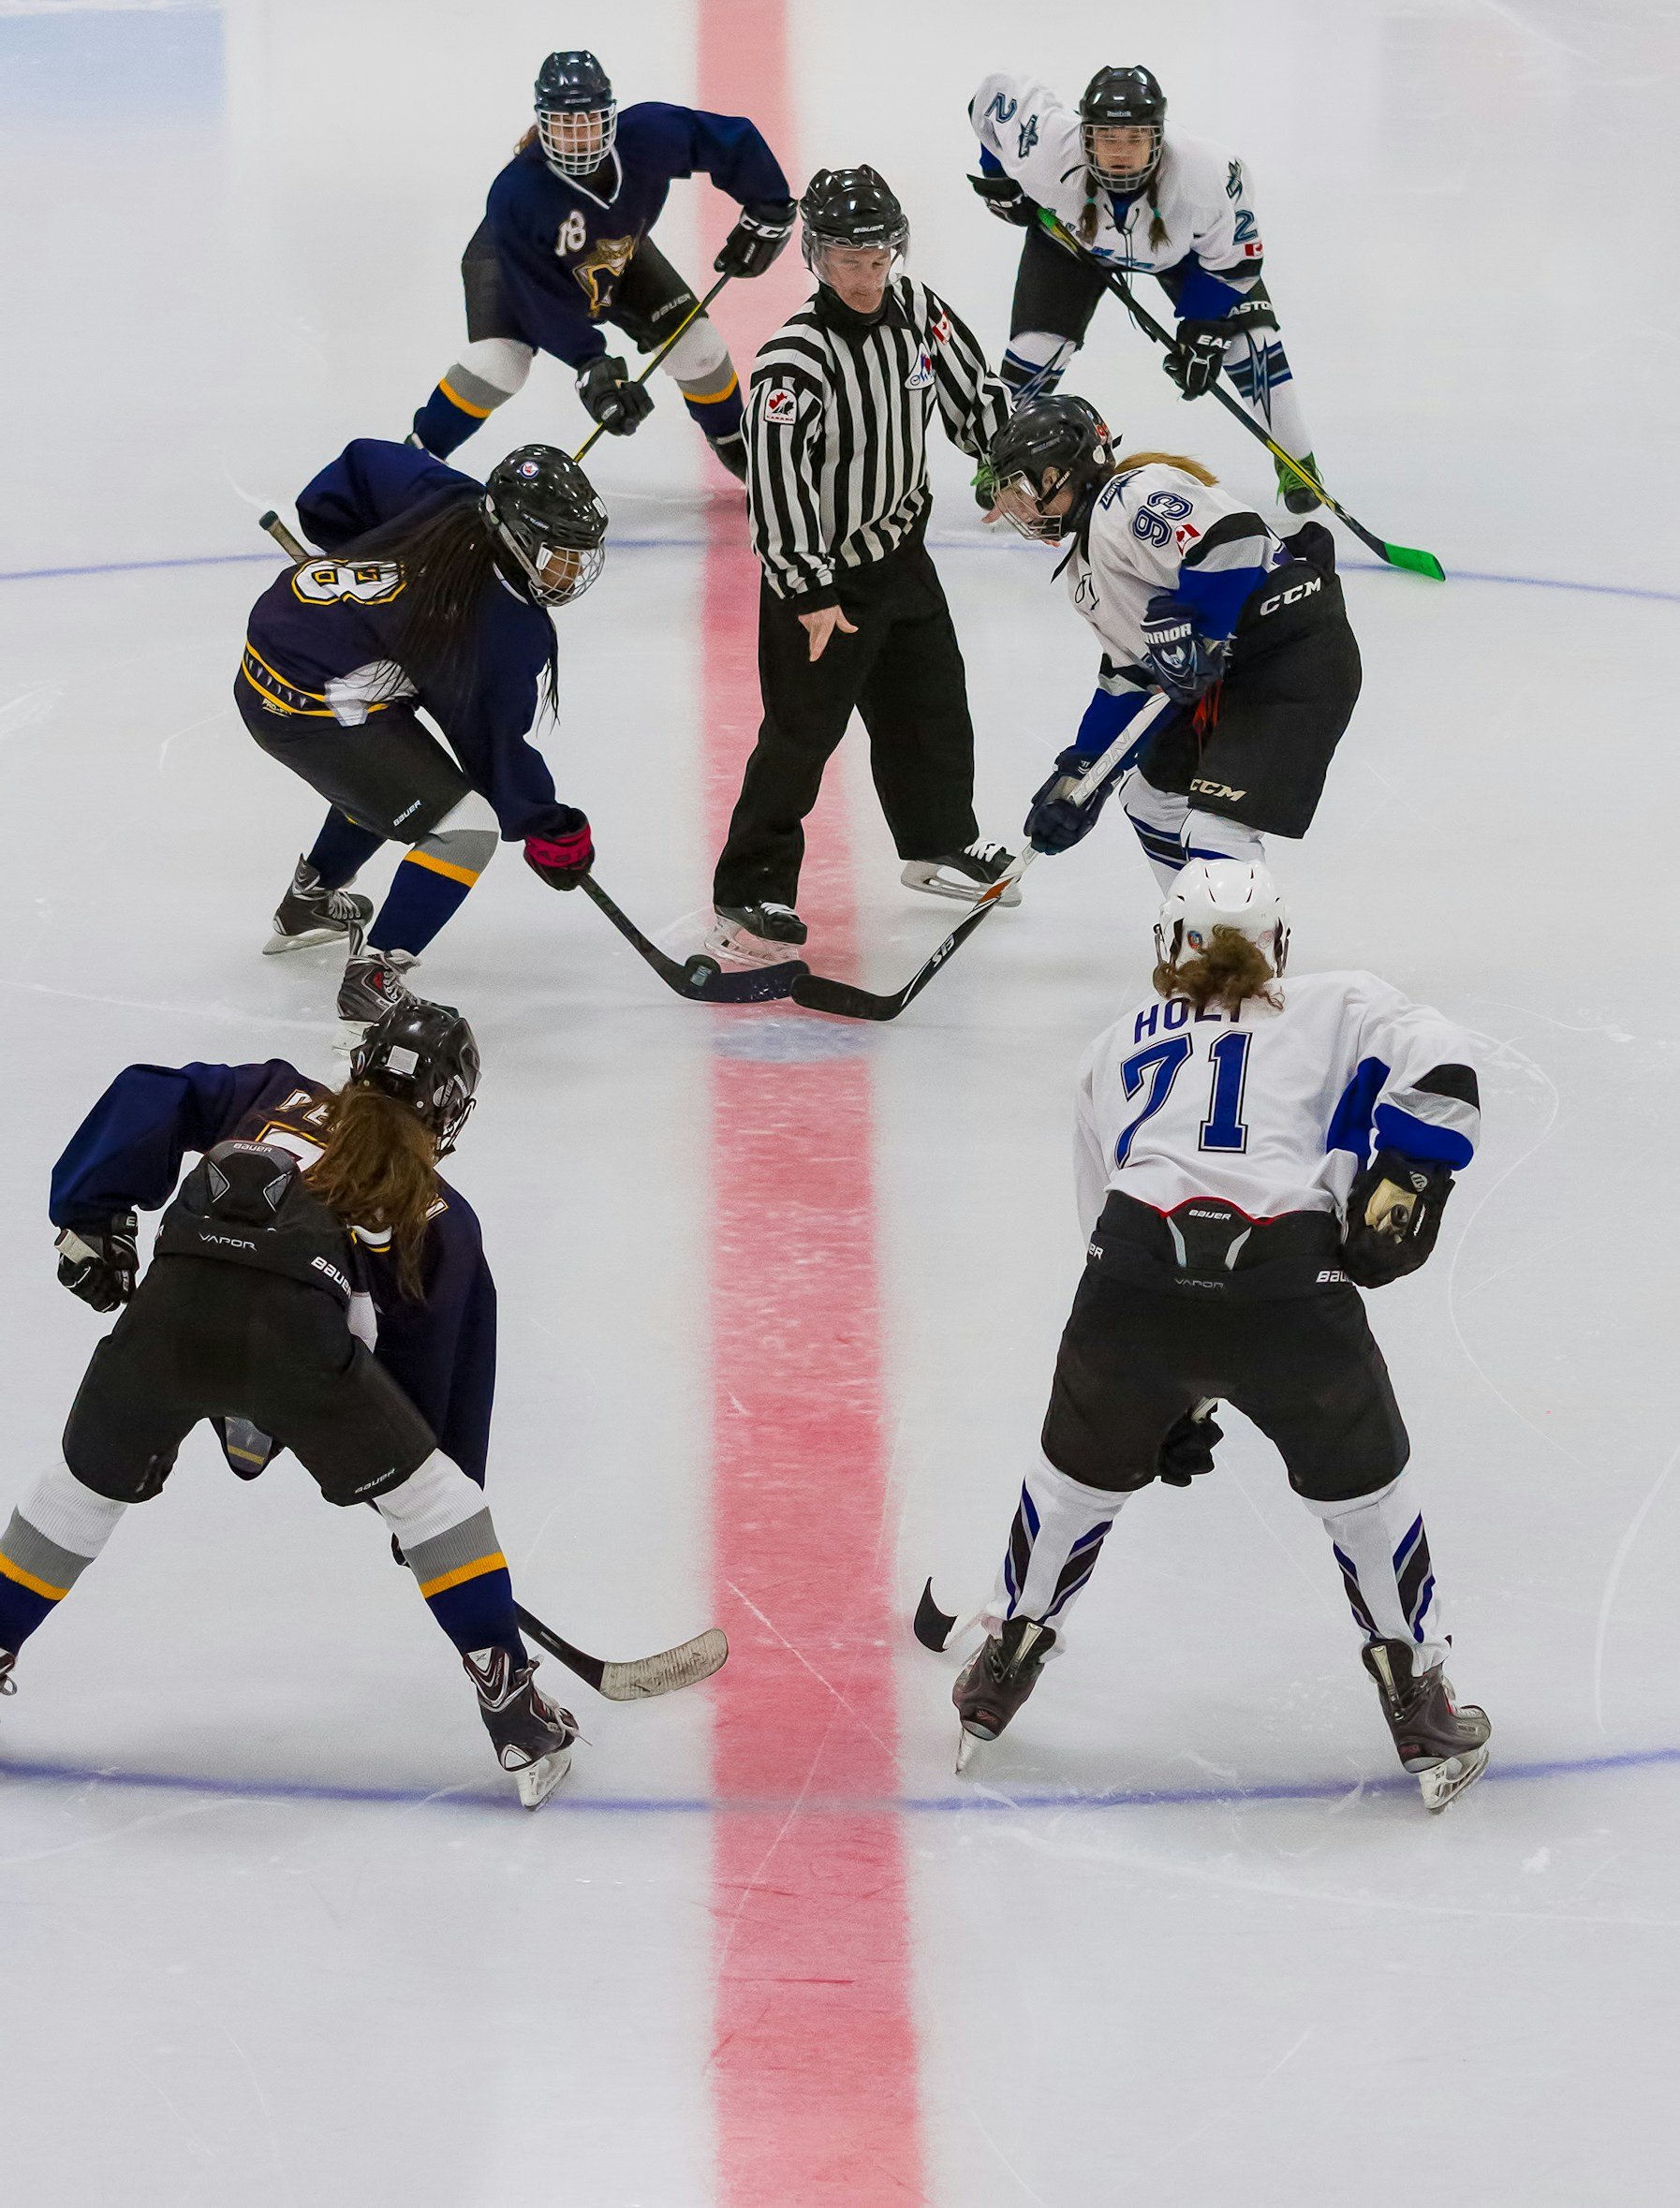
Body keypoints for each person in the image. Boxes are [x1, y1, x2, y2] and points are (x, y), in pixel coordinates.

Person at [951, 861, 1491, 1812]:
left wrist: (1174, 1390)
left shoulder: (1112, 1044)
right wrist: (1414, 1169)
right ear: (1279, 944)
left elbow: (1104, 1235)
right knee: (1366, 1497)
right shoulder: (1340, 1002)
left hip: (1130, 1284)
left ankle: (1007, 1658)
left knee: (1073, 1484)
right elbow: (1445, 1064)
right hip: (1289, 1286)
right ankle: (1418, 1698)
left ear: (1168, 945)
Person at [0, 1003, 579, 1809]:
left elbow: (150, 1092)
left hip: (165, 1316)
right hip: (298, 1351)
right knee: (438, 1502)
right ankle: (516, 1712)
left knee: (77, 1494)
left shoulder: (273, 1091)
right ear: (450, 1106)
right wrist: (414, 1510)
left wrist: (90, 1219)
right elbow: (437, 1377)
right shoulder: (440, 1213)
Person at [707, 166, 1016, 969]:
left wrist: (1002, 462)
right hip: (823, 581)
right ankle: (749, 890)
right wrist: (808, 592)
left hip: (900, 553)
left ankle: (939, 844)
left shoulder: (918, 312)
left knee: (931, 703)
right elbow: (776, 492)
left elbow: (972, 394)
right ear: (814, 255)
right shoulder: (790, 366)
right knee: (802, 734)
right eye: (848, 258)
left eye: (879, 256)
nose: (867, 275)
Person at [240, 436, 606, 1029]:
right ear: (517, 534)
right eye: (557, 552)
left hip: (284, 651)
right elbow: (493, 753)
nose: (569, 570)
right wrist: (548, 827)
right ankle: (374, 979)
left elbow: (363, 461)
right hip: (311, 702)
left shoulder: (455, 498)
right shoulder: (504, 627)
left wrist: (349, 548)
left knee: (400, 777)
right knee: (466, 828)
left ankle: (309, 901)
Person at [982, 395, 1360, 888]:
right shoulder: (1084, 571)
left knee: (1215, 830)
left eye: (1027, 486)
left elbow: (1234, 538)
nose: (1018, 505)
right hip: (1236, 673)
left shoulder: (1134, 493)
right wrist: (1077, 780)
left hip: (1290, 658)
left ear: (1068, 472)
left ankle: (1238, 959)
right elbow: (1129, 678)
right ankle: (1195, 940)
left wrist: (1202, 635)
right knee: (1150, 800)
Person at [408, 50, 797, 482]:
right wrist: (589, 363)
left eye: (590, 120)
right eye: (565, 124)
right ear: (543, 124)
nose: (580, 136)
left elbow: (730, 139)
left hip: (617, 252)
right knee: (498, 363)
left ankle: (733, 443)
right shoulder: (516, 194)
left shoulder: (647, 135)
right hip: (512, 269)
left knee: (700, 348)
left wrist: (769, 206)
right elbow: (539, 299)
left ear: (609, 116)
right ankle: (413, 460)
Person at [968, 66, 1320, 511]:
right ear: (1085, 135)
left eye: (1135, 139)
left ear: (1158, 138)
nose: (1120, 153)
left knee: (1252, 344)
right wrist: (998, 175)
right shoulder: (1046, 147)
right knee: (1037, 348)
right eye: (1108, 138)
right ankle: (999, 456)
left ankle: (1298, 461)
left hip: (1185, 256)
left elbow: (1236, 262)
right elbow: (993, 97)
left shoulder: (1205, 175)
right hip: (1071, 241)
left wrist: (1204, 328)